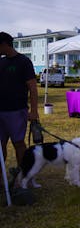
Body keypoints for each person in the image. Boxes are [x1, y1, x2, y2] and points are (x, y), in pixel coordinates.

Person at [0, 32, 39, 167]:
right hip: (1, 111)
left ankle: (23, 177)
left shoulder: (24, 62)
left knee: (18, 144)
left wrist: (34, 112)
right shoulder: (1, 62)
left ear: (5, 45)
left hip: (17, 111)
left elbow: (33, 88)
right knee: (0, 146)